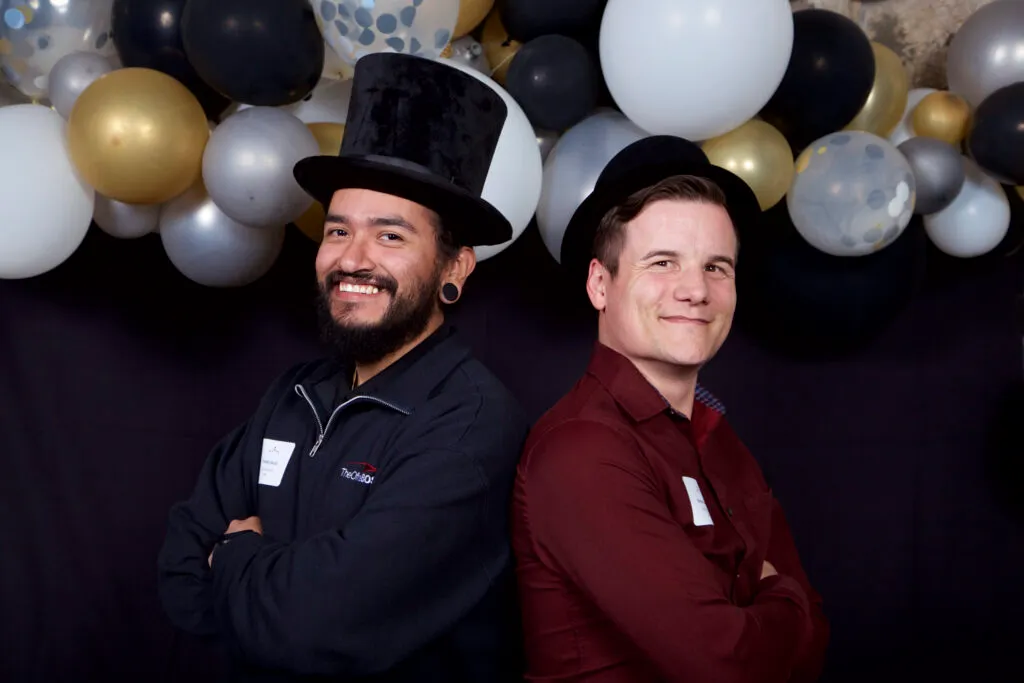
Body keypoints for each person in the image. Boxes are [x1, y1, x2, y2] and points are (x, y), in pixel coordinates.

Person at [157, 53, 529, 682]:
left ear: (454, 268)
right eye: (337, 232)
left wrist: (239, 553)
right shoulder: (294, 393)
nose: (352, 260)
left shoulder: (472, 426)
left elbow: (314, 629)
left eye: (390, 236)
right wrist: (275, 600)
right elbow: (180, 577)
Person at [512, 136, 830, 682]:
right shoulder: (582, 451)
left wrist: (770, 613)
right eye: (663, 263)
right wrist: (781, 594)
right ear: (600, 285)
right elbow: (725, 664)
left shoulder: (719, 439)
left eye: (717, 267)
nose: (695, 291)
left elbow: (816, 641)